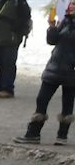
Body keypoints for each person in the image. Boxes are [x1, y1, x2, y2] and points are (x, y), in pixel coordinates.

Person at [14, 8, 74, 145]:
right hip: (54, 67)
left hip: (71, 70)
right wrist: (52, 27)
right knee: (42, 99)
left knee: (68, 103)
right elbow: (52, 41)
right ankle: (33, 134)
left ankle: (62, 136)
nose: (71, 7)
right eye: (71, 4)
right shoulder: (65, 22)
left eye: (74, 4)